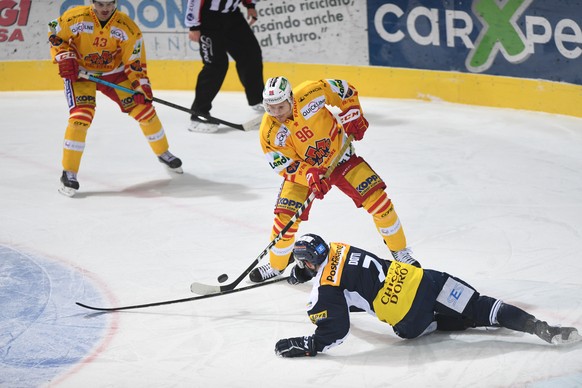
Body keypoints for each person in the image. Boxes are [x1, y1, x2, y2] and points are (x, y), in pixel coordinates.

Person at [274, 234, 582, 357]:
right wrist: (308, 269)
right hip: (426, 281)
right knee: (479, 305)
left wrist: (311, 344)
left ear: (307, 262)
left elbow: (336, 329)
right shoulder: (340, 246)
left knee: (425, 325)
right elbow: (346, 275)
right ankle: (544, 329)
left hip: (410, 319)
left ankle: (470, 322)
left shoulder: (323, 290)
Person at [249, 76, 418, 283]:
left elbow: (345, 90)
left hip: (339, 158)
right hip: (306, 174)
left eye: (281, 107)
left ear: (291, 99)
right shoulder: (269, 132)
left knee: (379, 202)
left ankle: (400, 252)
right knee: (285, 219)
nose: (276, 114)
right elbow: (283, 165)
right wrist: (308, 174)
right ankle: (277, 265)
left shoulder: (311, 92)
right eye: (270, 108)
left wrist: (352, 114)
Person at [48, 0, 183, 197]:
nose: (105, 9)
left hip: (115, 74)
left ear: (115, 3)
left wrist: (141, 88)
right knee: (81, 117)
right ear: (93, 2)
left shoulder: (127, 27)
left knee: (145, 111)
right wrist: (64, 55)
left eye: (109, 4)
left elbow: (135, 63)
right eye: (100, 4)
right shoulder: (75, 17)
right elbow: (54, 30)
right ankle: (69, 173)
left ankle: (164, 153)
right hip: (81, 74)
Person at [184, 0, 264, 133]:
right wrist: (193, 25)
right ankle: (198, 114)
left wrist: (250, 5)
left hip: (232, 16)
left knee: (250, 54)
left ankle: (257, 100)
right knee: (216, 64)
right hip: (208, 19)